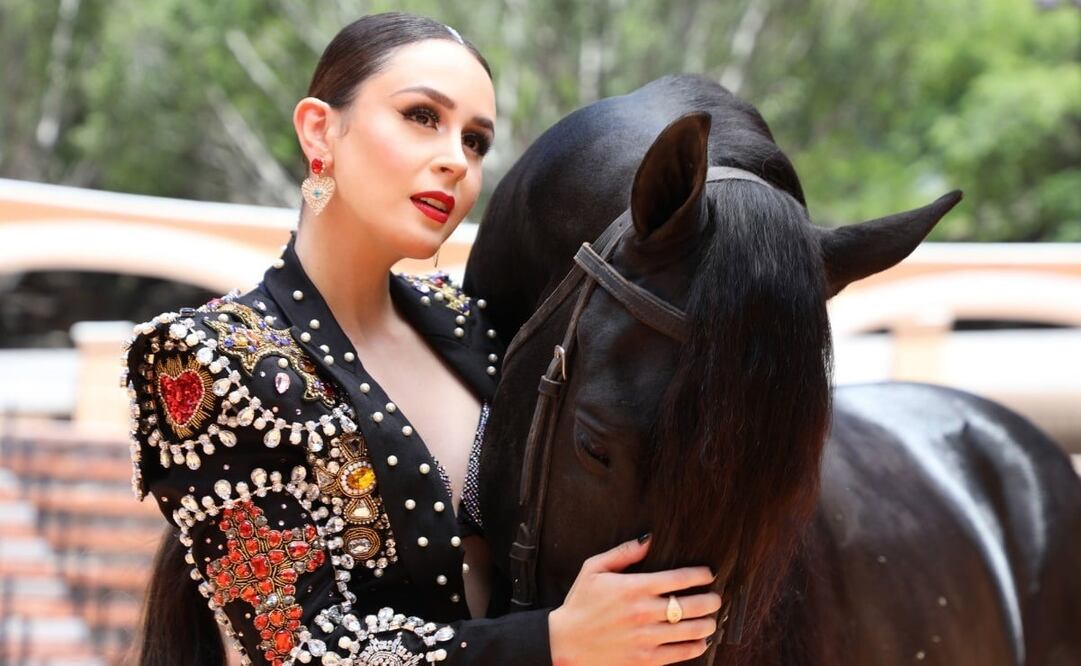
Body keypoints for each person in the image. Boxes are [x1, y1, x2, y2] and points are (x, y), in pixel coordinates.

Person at [125, 12, 721, 666]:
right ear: (319, 128)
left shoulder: (478, 325)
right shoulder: (207, 358)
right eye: (420, 117)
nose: (454, 161)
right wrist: (554, 643)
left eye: (475, 142)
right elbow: (293, 649)